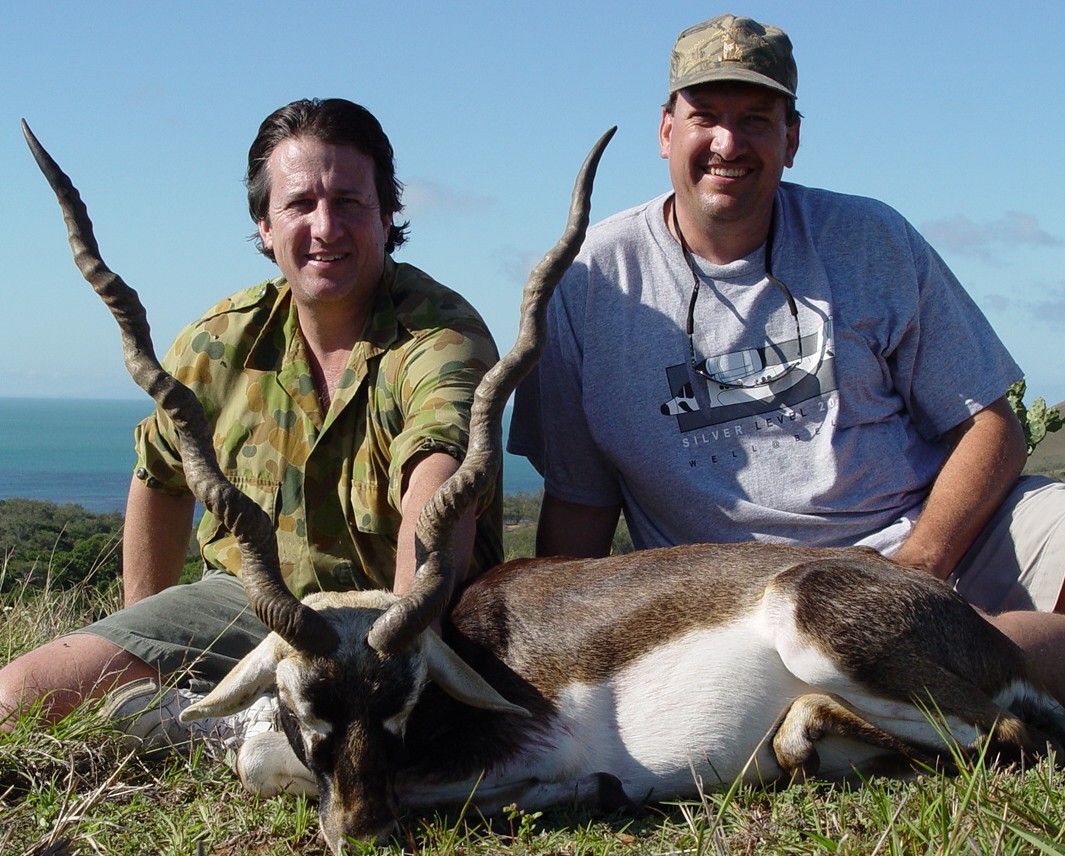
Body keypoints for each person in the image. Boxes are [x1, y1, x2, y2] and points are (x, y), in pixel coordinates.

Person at [509, 14, 1065, 698]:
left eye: (755, 119)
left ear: (790, 138)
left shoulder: (870, 238)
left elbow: (989, 424)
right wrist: (545, 666)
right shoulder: (589, 283)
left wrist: (920, 564)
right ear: (664, 132)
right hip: (744, 605)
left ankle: (951, 666)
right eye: (704, 115)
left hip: (928, 551)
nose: (727, 142)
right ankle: (980, 669)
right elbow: (578, 497)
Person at [1, 98, 503, 745]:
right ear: (264, 225)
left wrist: (391, 655)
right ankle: (248, 728)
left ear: (386, 215)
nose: (325, 226)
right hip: (250, 609)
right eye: (299, 204)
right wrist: (146, 634)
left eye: (348, 201)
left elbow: (436, 485)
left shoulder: (441, 337)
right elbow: (158, 477)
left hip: (400, 621)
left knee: (383, 734)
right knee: (20, 699)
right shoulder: (217, 344)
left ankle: (259, 734)